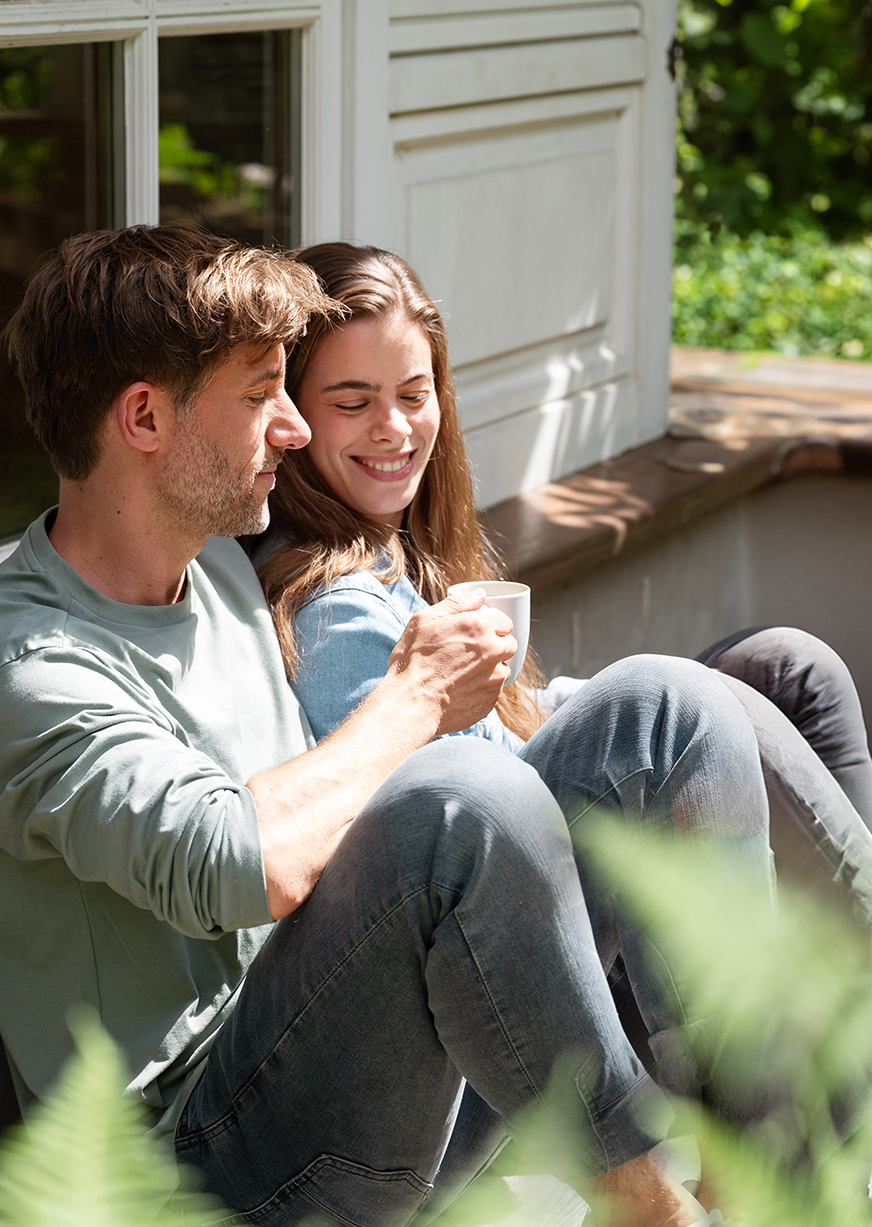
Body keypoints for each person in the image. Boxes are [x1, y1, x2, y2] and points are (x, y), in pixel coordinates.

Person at [0, 225, 807, 1227]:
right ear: (144, 420)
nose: (292, 432)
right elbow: (245, 862)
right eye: (259, 399)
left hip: (378, 1111)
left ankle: (753, 1215)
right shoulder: (25, 669)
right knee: (459, 797)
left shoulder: (218, 575)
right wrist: (408, 705)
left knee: (675, 707)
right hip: (207, 1204)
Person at [253, 243, 872, 962]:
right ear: (294, 417)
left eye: (414, 396)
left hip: (543, 817)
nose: (393, 427)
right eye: (354, 403)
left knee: (785, 669)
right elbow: (455, 818)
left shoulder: (393, 546)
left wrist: (613, 704)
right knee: (716, 711)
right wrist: (652, 715)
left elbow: (512, 722)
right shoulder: (336, 605)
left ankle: (839, 978)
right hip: (518, 910)